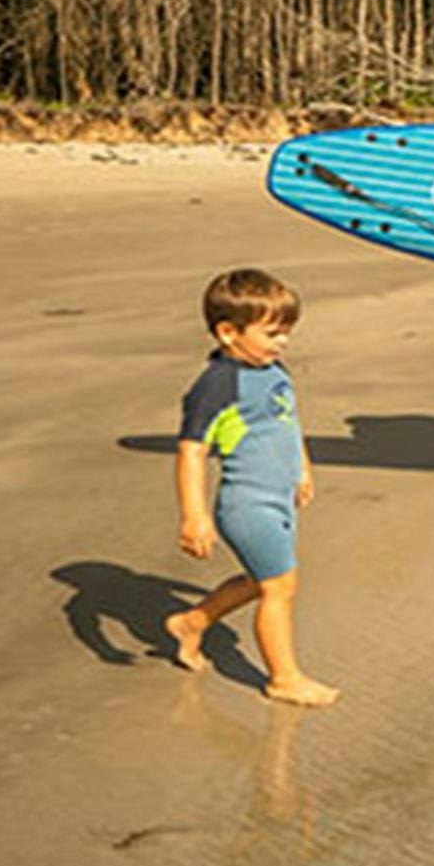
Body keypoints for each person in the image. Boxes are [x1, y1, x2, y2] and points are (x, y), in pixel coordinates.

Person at [164, 268, 339, 707]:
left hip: (280, 497)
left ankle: (191, 623)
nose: (283, 342)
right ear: (228, 332)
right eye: (272, 333)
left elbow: (287, 420)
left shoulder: (274, 369)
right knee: (280, 588)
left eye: (286, 333)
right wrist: (194, 515)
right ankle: (284, 678)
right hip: (247, 504)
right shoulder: (217, 385)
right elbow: (191, 452)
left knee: (261, 581)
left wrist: (303, 468)